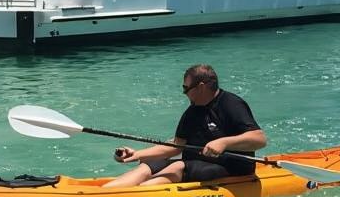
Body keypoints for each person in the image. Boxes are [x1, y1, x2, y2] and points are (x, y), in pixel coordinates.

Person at [101, 64, 267, 188]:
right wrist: (136, 154)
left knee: (178, 165)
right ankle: (105, 193)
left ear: (201, 87)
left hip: (231, 167)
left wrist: (224, 143)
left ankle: (137, 194)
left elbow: (259, 139)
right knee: (149, 165)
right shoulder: (193, 111)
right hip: (194, 162)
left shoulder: (231, 104)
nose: (184, 92)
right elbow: (177, 145)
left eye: (186, 88)